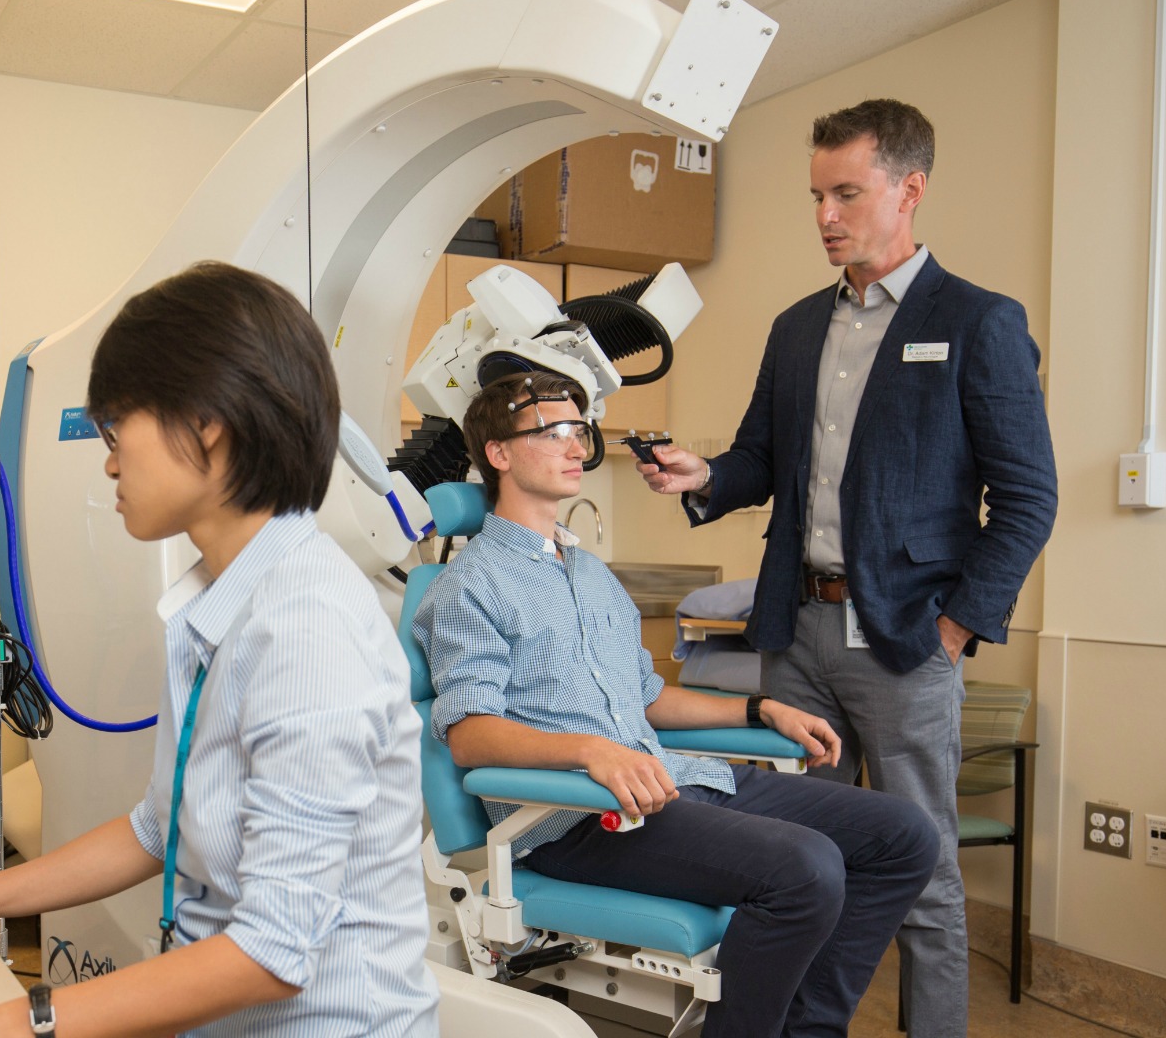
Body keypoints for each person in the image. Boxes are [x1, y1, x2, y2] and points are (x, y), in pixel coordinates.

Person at [0, 262, 439, 1037]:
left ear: (206, 420)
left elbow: (272, 952)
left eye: (116, 429)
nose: (111, 461)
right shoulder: (219, 604)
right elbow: (155, 830)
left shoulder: (307, 629)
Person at [636, 99, 1057, 1035]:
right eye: (817, 196)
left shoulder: (979, 322)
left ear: (909, 191)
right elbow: (758, 459)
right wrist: (703, 474)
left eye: (847, 193)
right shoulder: (796, 329)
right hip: (799, 637)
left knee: (923, 870)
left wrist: (955, 629)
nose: (826, 215)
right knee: (804, 859)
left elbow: (1028, 499)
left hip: (906, 641)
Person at [417, 372, 940, 1038]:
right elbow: (471, 734)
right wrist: (591, 752)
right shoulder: (469, 584)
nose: (578, 447)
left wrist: (759, 710)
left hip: (673, 781)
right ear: (498, 453)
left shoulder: (590, 574)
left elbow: (649, 696)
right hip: (577, 817)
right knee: (806, 869)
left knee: (904, 836)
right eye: (555, 432)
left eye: (581, 431)